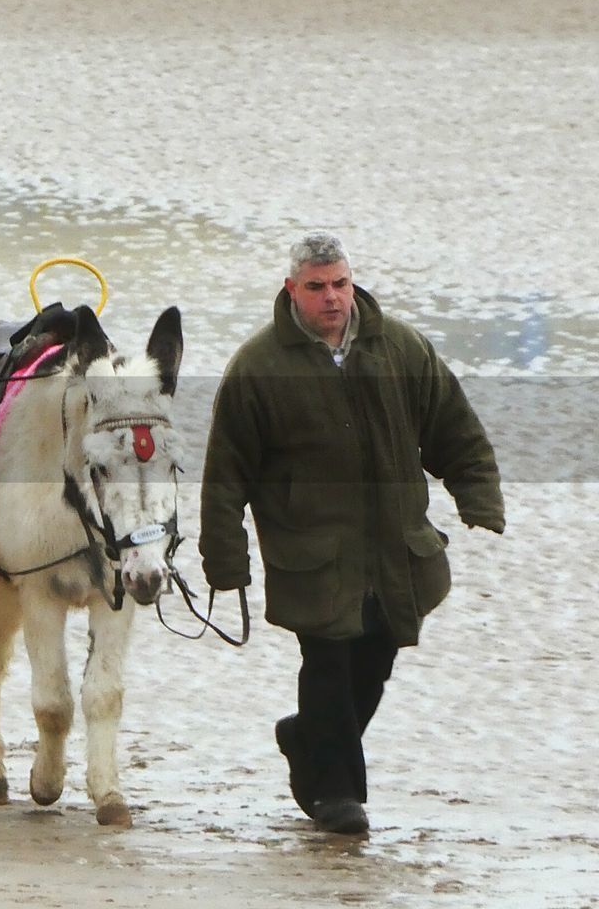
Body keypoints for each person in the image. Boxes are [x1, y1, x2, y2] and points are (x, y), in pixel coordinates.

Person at [199, 231, 504, 834]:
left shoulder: (402, 348)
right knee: (329, 661)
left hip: (394, 546)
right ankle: (339, 795)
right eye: (316, 288)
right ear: (292, 290)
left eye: (339, 283)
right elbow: (226, 472)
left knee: (377, 655)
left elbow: (453, 428)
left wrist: (478, 495)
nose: (332, 298)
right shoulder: (257, 366)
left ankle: (305, 737)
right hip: (310, 551)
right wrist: (225, 559)